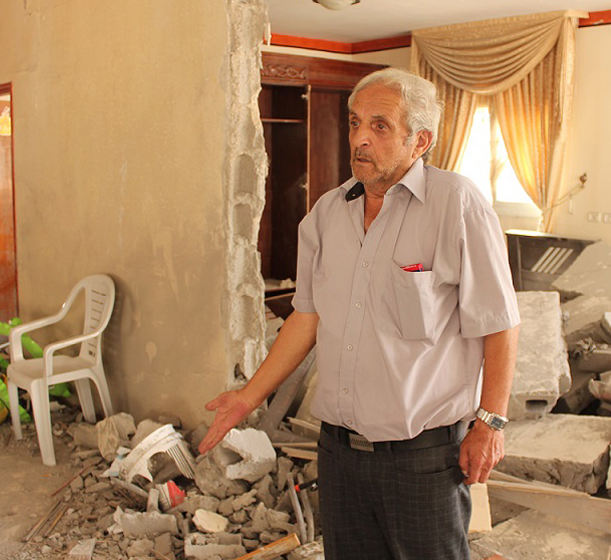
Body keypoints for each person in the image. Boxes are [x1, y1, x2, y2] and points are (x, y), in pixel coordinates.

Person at [199, 67, 520, 560]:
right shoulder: (327, 214)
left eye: (380, 125)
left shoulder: (456, 205)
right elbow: (305, 319)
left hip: (424, 461)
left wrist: (490, 424)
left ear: (421, 141)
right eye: (354, 123)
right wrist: (248, 397)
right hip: (340, 456)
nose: (360, 139)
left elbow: (499, 323)